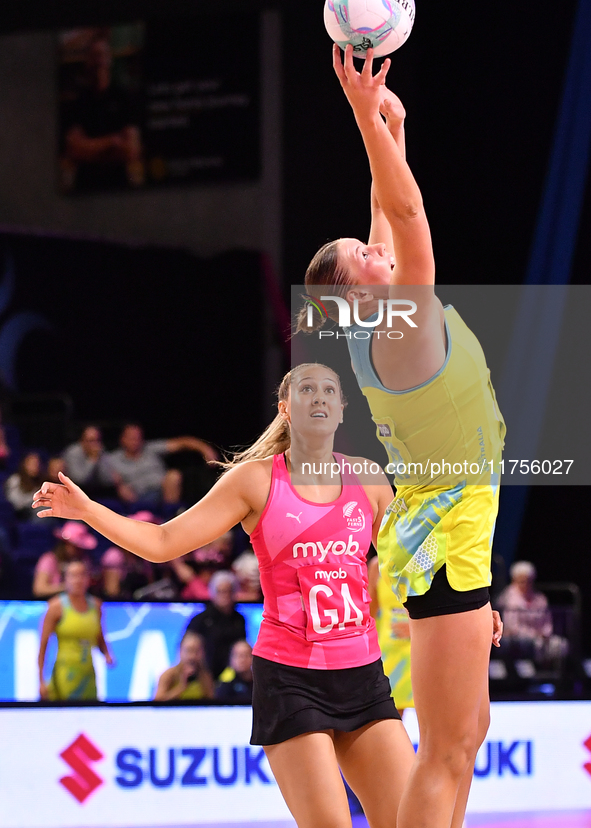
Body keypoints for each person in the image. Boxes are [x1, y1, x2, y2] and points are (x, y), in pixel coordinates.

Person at [33, 363, 417, 828]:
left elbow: (409, 567)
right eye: (306, 389)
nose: (318, 396)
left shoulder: (369, 479)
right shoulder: (254, 481)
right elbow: (161, 543)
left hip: (364, 677)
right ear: (285, 409)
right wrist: (89, 510)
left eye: (329, 390)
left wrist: (473, 611)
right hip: (292, 680)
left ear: (341, 409)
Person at [299, 45, 505, 828]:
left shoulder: (374, 323)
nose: (374, 246)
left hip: (451, 528)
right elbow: (408, 217)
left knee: (466, 734)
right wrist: (360, 108)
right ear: (361, 292)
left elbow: (385, 216)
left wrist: (392, 129)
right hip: (446, 532)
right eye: (363, 258)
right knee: (446, 746)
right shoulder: (402, 327)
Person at [61, 33, 144, 192]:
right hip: (85, 191)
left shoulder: (124, 99)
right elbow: (74, 151)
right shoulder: (77, 103)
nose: (99, 61)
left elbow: (131, 151)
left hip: (119, 189)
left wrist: (89, 148)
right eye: (94, 56)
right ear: (87, 62)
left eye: (103, 55)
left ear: (110, 60)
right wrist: (112, 142)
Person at [38, 559, 113, 700]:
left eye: (82, 575)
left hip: (88, 672)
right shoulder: (56, 607)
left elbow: (99, 636)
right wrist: (41, 680)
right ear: (65, 579)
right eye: (73, 575)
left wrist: (107, 654)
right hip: (65, 672)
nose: (78, 580)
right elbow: (43, 645)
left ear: (88, 579)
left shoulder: (96, 605)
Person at [107, 423, 218, 506]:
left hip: (161, 493)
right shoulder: (113, 459)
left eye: (138, 437)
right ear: (122, 439)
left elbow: (182, 443)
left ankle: (171, 514)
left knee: (173, 475)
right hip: (136, 498)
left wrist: (205, 449)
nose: (135, 441)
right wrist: (120, 486)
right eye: (131, 438)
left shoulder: (151, 448)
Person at [368, 555, 413, 716]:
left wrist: (418, 627)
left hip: (420, 647)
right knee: (391, 716)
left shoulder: (427, 559)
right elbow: (368, 615)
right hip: (388, 651)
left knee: (430, 719)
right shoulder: (377, 565)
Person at [186, 571, 247, 679]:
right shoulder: (200, 619)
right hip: (204, 675)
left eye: (228, 591)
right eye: (221, 592)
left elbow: (242, 647)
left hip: (232, 677)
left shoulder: (239, 619)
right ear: (213, 593)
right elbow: (188, 647)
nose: (225, 596)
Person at [33, 521, 97, 598]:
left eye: (80, 547)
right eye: (75, 546)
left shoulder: (84, 560)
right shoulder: (48, 560)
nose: (78, 550)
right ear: (65, 544)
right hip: (52, 601)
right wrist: (68, 587)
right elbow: (39, 589)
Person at [154, 630, 214, 701]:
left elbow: (211, 703)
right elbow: (157, 702)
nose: (192, 656)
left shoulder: (204, 676)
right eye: (189, 651)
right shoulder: (169, 675)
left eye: (196, 651)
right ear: (180, 652)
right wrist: (181, 688)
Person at [62, 426, 118, 496]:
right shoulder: (73, 453)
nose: (94, 445)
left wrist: (99, 459)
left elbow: (107, 481)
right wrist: (92, 460)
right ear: (82, 441)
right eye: (91, 441)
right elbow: (79, 480)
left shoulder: (102, 452)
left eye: (97, 440)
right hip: (76, 492)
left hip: (99, 492)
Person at [4, 451, 44, 518]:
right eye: (32, 464)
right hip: (18, 515)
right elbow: (15, 504)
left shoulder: (41, 482)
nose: (35, 467)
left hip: (34, 514)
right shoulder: (14, 480)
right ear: (24, 464)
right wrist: (31, 502)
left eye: (37, 464)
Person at [215, 639, 254, 704]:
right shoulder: (225, 681)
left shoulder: (259, 682)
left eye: (246, 655)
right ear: (231, 659)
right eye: (238, 656)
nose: (242, 660)